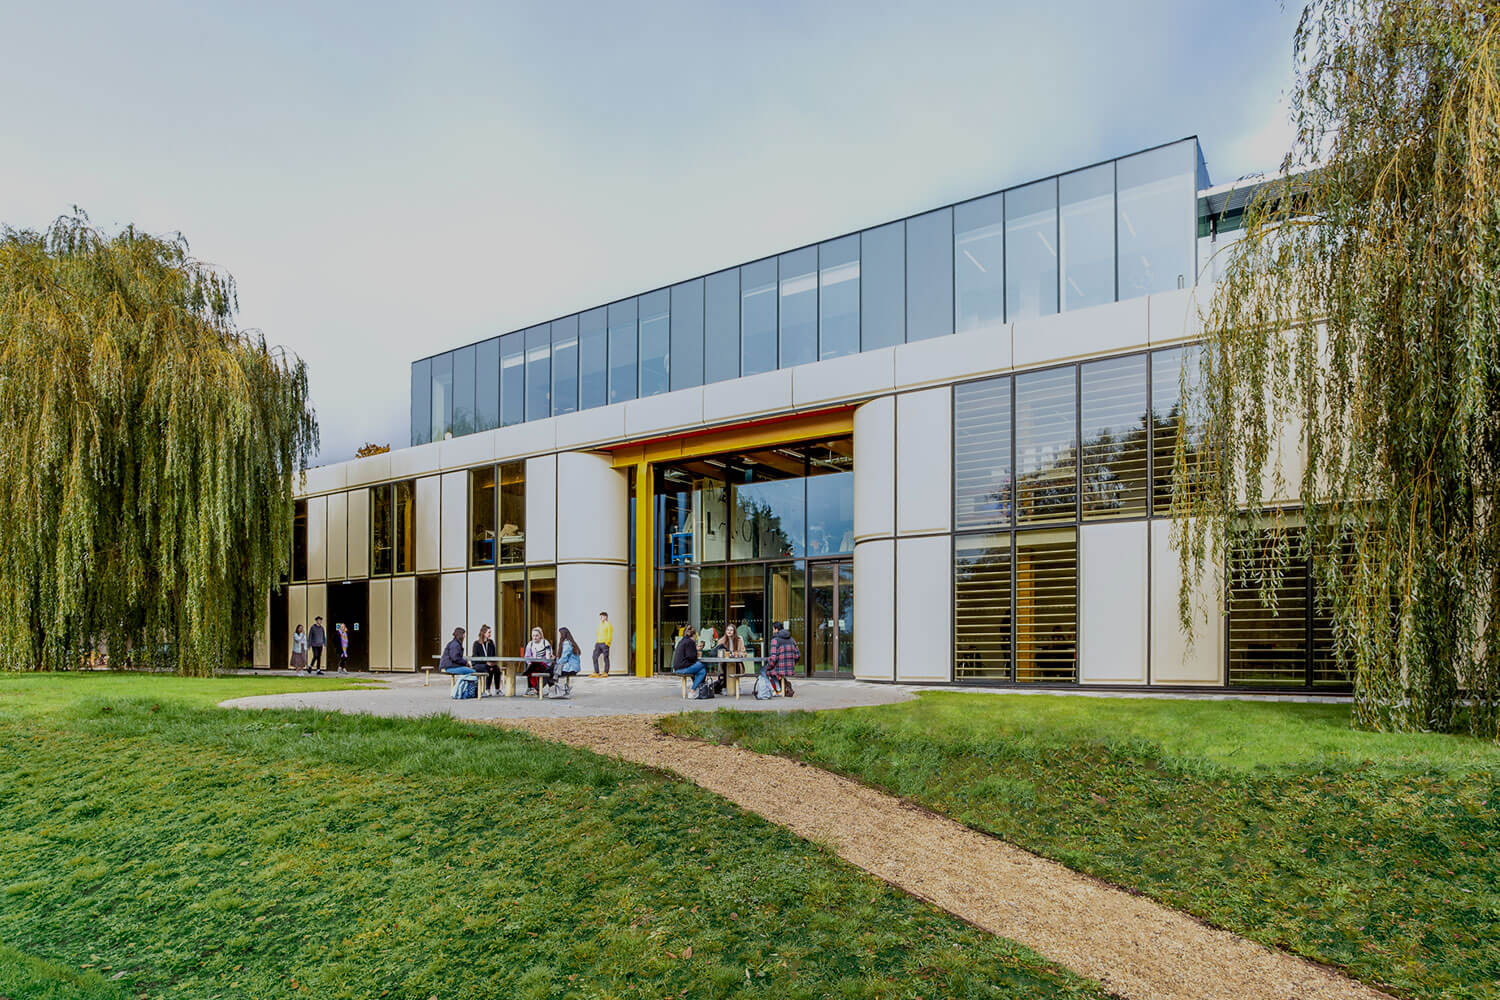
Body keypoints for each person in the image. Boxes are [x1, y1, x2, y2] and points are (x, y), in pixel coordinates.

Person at [671, 625, 709, 698]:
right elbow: (691, 657)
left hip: (678, 668)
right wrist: (696, 651)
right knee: (704, 664)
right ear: (694, 635)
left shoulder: (682, 641)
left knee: (702, 671)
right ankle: (698, 688)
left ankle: (693, 691)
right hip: (682, 669)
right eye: (696, 636)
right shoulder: (690, 642)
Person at [766, 621, 800, 698]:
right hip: (790, 668)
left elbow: (773, 658)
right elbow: (798, 655)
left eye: (773, 629)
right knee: (774, 671)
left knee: (766, 671)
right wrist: (792, 663)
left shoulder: (775, 640)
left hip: (779, 668)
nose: (772, 631)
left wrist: (768, 666)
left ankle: (777, 690)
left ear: (776, 629)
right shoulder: (792, 639)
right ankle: (781, 689)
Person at [522, 627, 554, 697]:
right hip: (534, 664)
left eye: (537, 635)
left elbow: (549, 656)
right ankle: (531, 688)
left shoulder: (545, 643)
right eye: (533, 635)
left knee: (538, 668)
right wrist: (530, 663)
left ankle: (535, 690)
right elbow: (527, 656)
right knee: (531, 666)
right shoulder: (530, 644)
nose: (535, 637)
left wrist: (546, 663)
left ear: (540, 636)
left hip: (544, 664)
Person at [555, 626, 582, 697]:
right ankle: (560, 690)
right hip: (574, 667)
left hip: (571, 668)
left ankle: (558, 691)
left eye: (559, 634)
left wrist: (556, 662)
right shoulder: (571, 642)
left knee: (552, 671)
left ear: (562, 635)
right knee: (553, 671)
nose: (559, 636)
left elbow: (564, 658)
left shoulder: (566, 643)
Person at [472, 625, 499, 695]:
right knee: (488, 668)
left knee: (497, 669)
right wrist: (487, 663)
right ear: (484, 633)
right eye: (489, 632)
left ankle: (497, 689)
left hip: (489, 664)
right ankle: (487, 689)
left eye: (490, 632)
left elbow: (494, 655)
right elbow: (475, 658)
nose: (490, 634)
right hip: (478, 664)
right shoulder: (476, 644)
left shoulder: (491, 643)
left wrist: (494, 662)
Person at [591, 611, 613, 677]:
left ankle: (606, 672)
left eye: (602, 616)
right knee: (594, 657)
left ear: (606, 617)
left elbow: (610, 634)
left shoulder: (608, 625)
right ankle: (596, 672)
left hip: (604, 643)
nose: (600, 618)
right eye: (600, 616)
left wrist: (607, 643)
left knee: (605, 658)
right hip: (598, 643)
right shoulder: (600, 625)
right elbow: (598, 634)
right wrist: (597, 642)